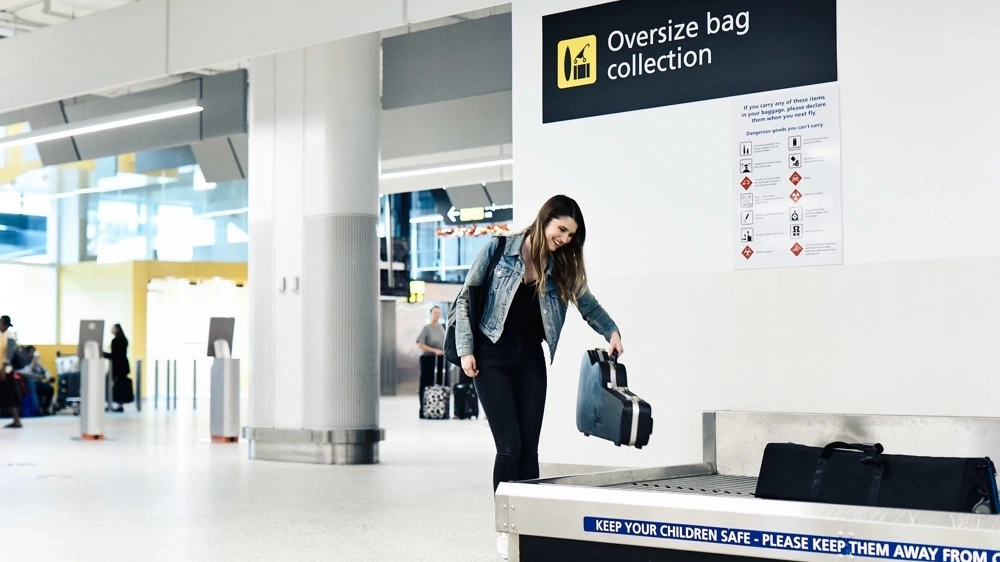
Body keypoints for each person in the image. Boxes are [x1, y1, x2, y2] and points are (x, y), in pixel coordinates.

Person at [453, 195, 623, 559]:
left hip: (530, 360)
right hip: (490, 356)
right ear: (546, 218)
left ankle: (528, 529)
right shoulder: (499, 248)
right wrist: (466, 348)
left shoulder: (561, 266)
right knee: (510, 446)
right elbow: (467, 297)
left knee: (530, 450)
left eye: (571, 236)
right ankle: (506, 526)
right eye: (561, 229)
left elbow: (586, 303)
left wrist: (611, 332)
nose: (564, 239)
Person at [416, 306, 446, 418]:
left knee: (438, 384)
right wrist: (434, 351)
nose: (437, 315)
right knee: (426, 383)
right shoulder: (426, 328)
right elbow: (420, 344)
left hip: (440, 360)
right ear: (430, 314)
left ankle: (437, 408)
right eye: (435, 312)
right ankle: (424, 409)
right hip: (428, 359)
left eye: (439, 313)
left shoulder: (441, 328)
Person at [103, 323, 133, 413]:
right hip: (123, 366)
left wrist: (104, 354)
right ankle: (118, 404)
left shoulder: (116, 341)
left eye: (113, 328)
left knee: (112, 383)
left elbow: (115, 355)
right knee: (120, 385)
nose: (111, 330)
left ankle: (110, 403)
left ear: (117, 329)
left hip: (117, 366)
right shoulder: (124, 340)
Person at [0, 315, 22, 428]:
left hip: (6, 371)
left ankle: (17, 420)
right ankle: (16, 419)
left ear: (4, 323)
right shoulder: (2, 336)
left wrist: (3, 368)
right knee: (7, 395)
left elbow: (9, 353)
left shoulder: (10, 335)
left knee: (10, 395)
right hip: (1, 370)